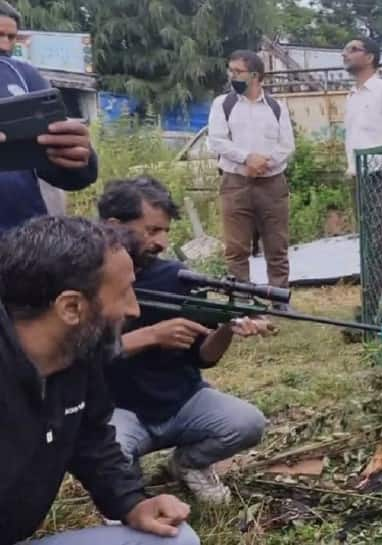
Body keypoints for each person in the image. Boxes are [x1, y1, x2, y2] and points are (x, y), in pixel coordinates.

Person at [0, 215, 199, 545]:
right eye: (123, 293)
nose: (134, 309)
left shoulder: (77, 354)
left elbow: (90, 438)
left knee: (175, 540)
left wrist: (132, 503)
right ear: (71, 307)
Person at [97, 177, 271, 504]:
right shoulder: (80, 276)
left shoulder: (177, 277)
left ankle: (188, 463)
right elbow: (79, 356)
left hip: (180, 402)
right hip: (118, 409)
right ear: (113, 226)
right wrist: (152, 336)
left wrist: (224, 327)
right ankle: (127, 491)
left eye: (165, 231)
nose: (162, 242)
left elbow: (203, 357)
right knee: (109, 452)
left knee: (248, 423)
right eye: (151, 231)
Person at [0, 2, 99, 232]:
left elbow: (71, 176)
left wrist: (79, 158)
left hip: (22, 237)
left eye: (11, 37)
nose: (4, 44)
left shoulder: (24, 75)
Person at [207, 49, 295, 300]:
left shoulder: (277, 107)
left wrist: (265, 164)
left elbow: (287, 145)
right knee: (236, 247)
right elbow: (216, 140)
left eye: (238, 71)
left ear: (255, 75)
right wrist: (248, 158)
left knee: (277, 246)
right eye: (230, 70)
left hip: (272, 184)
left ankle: (279, 298)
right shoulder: (223, 104)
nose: (232, 75)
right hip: (235, 183)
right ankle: (242, 299)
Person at [342, 37, 382, 323]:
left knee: (380, 245)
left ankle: (370, 310)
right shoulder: (352, 96)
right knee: (373, 245)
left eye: (353, 49)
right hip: (360, 177)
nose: (345, 54)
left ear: (371, 57)